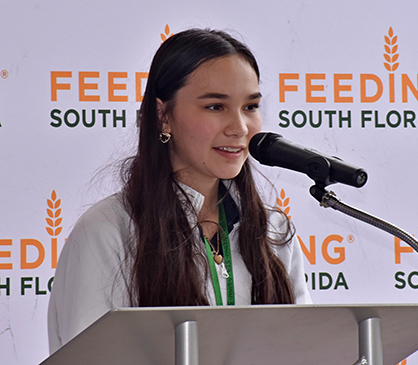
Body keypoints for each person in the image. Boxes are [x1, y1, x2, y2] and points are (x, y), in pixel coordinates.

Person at [47, 28, 311, 353]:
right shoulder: (108, 230)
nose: (240, 128)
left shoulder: (273, 229)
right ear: (163, 116)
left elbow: (305, 349)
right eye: (216, 107)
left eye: (250, 107)